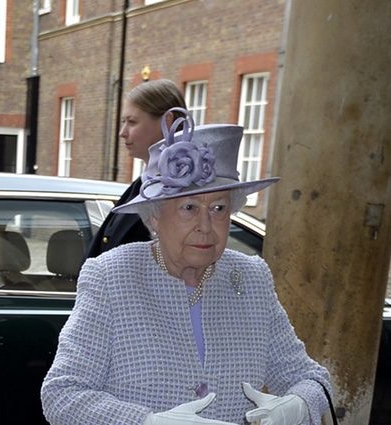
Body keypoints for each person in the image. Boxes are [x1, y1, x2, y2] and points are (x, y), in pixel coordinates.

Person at [41, 108, 332, 425]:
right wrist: (146, 422)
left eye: (219, 208)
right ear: (154, 216)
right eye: (189, 207)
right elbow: (63, 394)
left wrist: (299, 404)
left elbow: (310, 377)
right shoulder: (111, 277)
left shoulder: (250, 277)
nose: (206, 225)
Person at [86, 79, 186, 258]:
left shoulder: (180, 190)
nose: (122, 132)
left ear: (167, 121)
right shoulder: (145, 183)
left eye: (132, 122)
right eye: (124, 122)